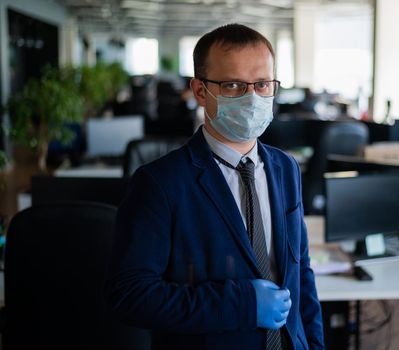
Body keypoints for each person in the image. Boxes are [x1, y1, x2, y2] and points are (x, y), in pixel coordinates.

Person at [105, 23, 324, 350]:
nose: (252, 98)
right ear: (200, 91)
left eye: (262, 84)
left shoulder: (285, 168)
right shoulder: (160, 183)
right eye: (234, 85)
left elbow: (301, 274)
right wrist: (240, 305)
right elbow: (130, 294)